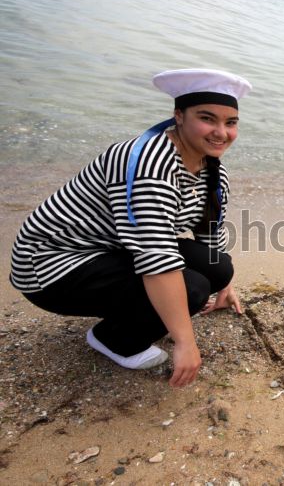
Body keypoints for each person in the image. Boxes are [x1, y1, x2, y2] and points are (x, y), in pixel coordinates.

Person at [9, 69, 251, 387]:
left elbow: (209, 230)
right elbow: (155, 258)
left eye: (230, 122)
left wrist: (225, 286)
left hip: (113, 247)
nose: (221, 132)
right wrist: (185, 341)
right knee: (191, 289)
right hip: (51, 263)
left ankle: (133, 314)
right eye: (208, 119)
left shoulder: (210, 168)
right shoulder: (147, 162)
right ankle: (113, 340)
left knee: (219, 268)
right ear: (178, 115)